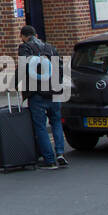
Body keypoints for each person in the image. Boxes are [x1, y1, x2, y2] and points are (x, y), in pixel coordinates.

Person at [17, 24, 68, 169]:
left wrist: (15, 84)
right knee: (56, 122)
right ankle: (60, 153)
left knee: (40, 127)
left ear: (24, 37)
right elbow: (60, 68)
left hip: (37, 93)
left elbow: (23, 69)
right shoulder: (50, 47)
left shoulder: (24, 48)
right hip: (54, 92)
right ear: (36, 35)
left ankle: (49, 160)